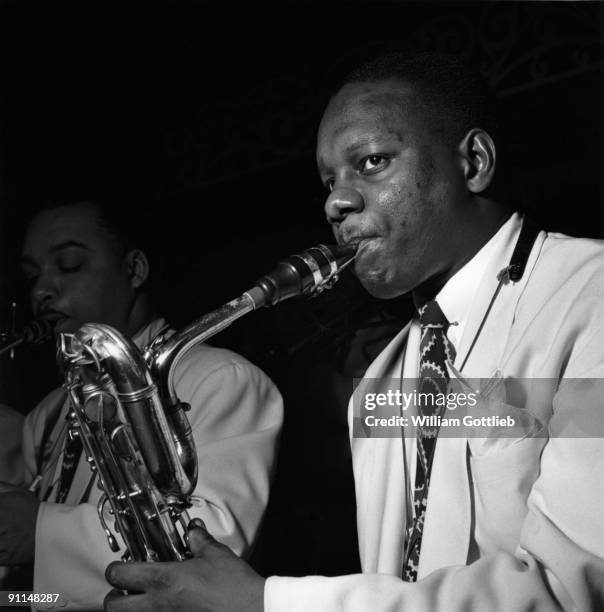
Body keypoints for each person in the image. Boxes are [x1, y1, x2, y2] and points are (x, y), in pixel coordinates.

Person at [104, 52, 604, 610]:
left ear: (474, 162)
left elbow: (569, 588)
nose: (336, 202)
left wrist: (261, 603)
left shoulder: (591, 295)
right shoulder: (379, 384)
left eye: (370, 162)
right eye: (328, 180)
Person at [0, 198, 283, 610]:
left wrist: (42, 532)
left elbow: (209, 549)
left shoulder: (220, 380)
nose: (42, 291)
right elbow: (41, 590)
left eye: (69, 265)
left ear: (134, 270)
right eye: (32, 277)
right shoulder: (47, 413)